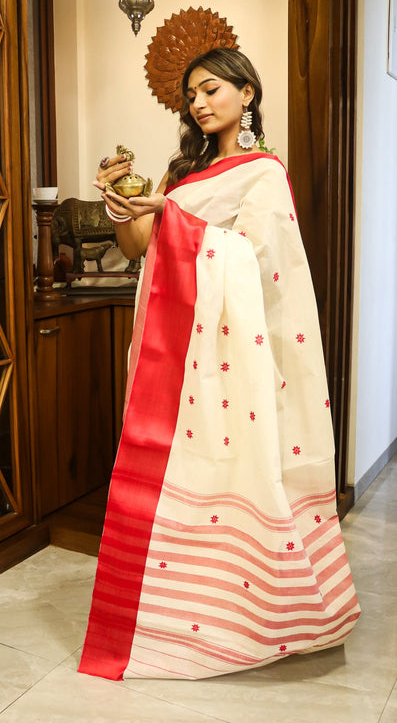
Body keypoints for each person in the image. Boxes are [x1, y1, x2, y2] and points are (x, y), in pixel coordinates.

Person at [78, 48, 360, 681]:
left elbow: (259, 260)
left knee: (223, 472)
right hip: (168, 345)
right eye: (191, 97)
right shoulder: (184, 172)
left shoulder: (262, 172)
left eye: (211, 89)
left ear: (247, 93)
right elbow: (138, 251)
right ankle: (173, 614)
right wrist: (120, 203)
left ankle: (240, 614)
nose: (199, 103)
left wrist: (170, 217)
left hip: (220, 362)